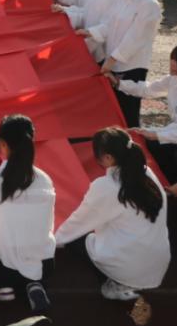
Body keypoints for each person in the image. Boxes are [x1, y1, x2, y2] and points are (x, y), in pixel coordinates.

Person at [55, 128, 169, 301]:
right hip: (158, 261)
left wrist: (52, 242)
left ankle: (116, 284)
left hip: (129, 267)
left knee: (75, 240)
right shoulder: (147, 173)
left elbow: (78, 222)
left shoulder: (106, 186)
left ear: (108, 157)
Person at [0, 115, 56, 313]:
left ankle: (1, 286)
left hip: (5, 267)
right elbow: (48, 225)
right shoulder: (45, 180)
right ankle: (34, 283)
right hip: (44, 264)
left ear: (3, 144)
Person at [84, 0, 162, 128]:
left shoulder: (149, 4)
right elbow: (109, 22)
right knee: (111, 111)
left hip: (131, 66)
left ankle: (133, 142)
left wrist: (112, 60)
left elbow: (135, 38)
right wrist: (90, 32)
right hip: (112, 61)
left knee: (128, 113)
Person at [109, 45, 177, 195]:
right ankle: (168, 185)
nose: (172, 64)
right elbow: (148, 89)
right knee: (150, 144)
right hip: (175, 131)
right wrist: (119, 83)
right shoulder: (173, 80)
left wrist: (156, 134)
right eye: (172, 59)